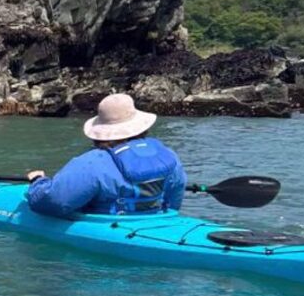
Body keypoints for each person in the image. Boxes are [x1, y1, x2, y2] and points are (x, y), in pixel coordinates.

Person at [24, 92, 185, 218]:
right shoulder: (168, 155)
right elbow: (174, 201)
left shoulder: (93, 163)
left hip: (108, 225)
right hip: (157, 221)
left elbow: (54, 202)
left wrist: (38, 182)